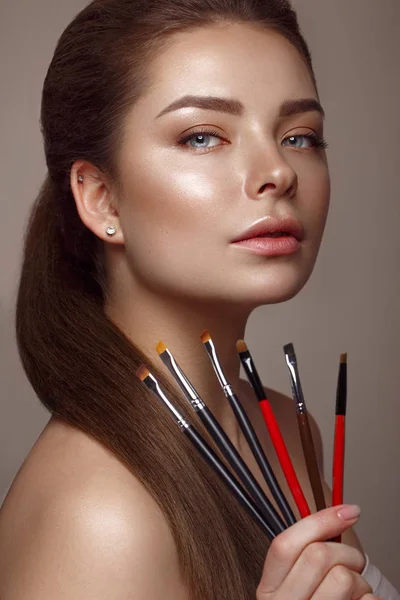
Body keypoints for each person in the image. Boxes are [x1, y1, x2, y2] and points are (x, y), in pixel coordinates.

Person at [0, 0, 398, 598]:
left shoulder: (292, 432)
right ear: (102, 199)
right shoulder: (98, 514)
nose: (278, 172)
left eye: (300, 136)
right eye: (203, 136)